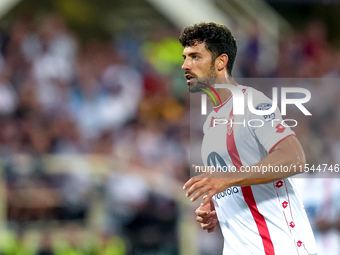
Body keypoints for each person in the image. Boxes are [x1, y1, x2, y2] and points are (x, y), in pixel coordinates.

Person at [179, 22, 318, 255]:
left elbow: (294, 158)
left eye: (195, 57)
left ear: (220, 62)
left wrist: (226, 180)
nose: (185, 65)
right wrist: (217, 209)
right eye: (185, 57)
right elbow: (235, 182)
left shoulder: (251, 103)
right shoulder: (211, 122)